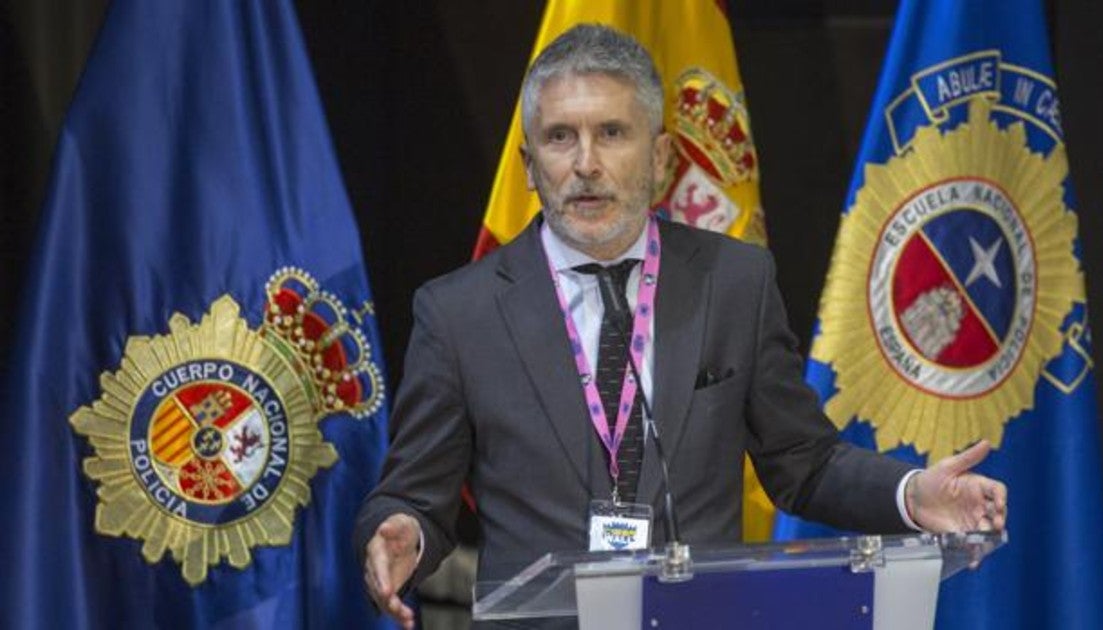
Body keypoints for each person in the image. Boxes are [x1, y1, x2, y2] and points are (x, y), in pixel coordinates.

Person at [354, 24, 1007, 628]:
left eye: (611, 133)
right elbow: (415, 490)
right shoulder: (458, 312)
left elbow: (801, 464)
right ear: (528, 165)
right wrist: (400, 528)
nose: (585, 162)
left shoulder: (733, 283)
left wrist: (909, 494)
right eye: (560, 137)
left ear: (660, 156)